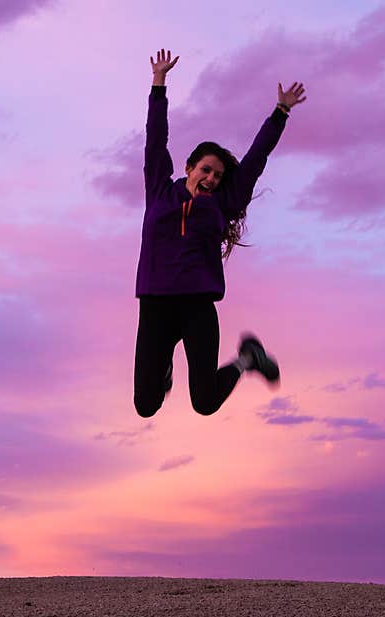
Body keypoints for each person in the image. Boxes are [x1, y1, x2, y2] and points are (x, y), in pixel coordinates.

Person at [134, 48, 306, 418]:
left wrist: (280, 113)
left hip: (197, 305)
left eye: (217, 175)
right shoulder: (160, 192)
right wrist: (158, 84)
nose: (211, 178)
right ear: (189, 168)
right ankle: (163, 369)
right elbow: (155, 140)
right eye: (206, 170)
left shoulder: (221, 204)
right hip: (155, 306)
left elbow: (255, 160)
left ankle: (247, 359)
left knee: (205, 402)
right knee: (146, 405)